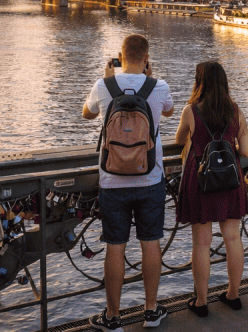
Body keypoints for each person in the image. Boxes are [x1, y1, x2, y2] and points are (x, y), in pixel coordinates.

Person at [83, 35, 174, 330]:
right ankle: (150, 312)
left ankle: (112, 317)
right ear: (146, 56)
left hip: (112, 180)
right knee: (150, 243)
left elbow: (87, 114)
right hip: (150, 177)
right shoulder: (158, 86)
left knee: (115, 246)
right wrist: (150, 77)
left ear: (120, 56)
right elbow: (169, 111)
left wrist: (107, 79)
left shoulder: (103, 85)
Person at [174, 62, 248, 317]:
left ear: (200, 84)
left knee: (202, 243)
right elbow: (247, 151)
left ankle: (202, 302)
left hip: (201, 180)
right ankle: (233, 295)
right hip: (230, 179)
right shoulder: (236, 111)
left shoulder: (191, 111)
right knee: (233, 238)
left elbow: (178, 139)